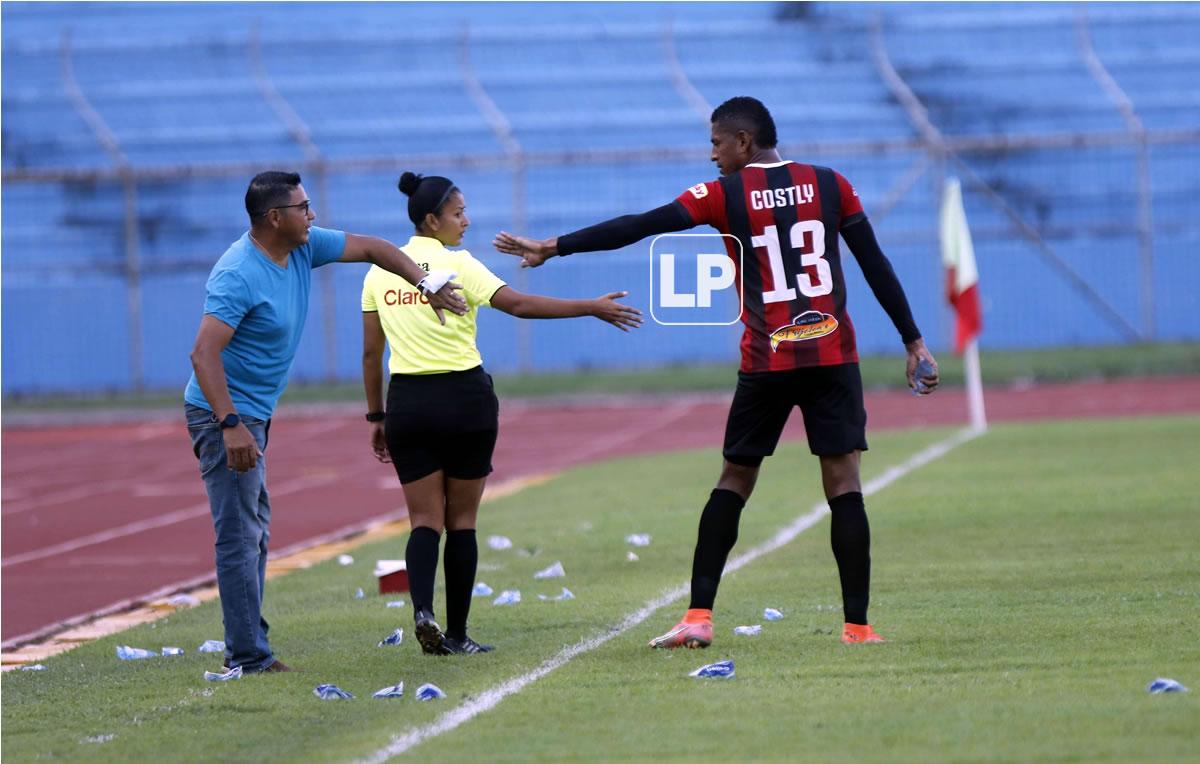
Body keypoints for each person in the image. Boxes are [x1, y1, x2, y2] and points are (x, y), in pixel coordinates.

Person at [494, 96, 940, 649]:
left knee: (734, 480)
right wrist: (913, 340)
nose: (711, 155)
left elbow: (641, 225)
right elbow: (875, 264)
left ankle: (699, 617)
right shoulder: (832, 183)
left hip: (767, 361)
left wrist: (553, 247)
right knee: (844, 484)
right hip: (832, 358)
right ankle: (858, 628)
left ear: (744, 142)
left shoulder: (725, 195)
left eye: (716, 143)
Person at [185, 170, 469, 674]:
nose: (312, 215)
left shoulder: (302, 248)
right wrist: (230, 424)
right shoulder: (237, 272)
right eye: (303, 207)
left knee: (254, 532)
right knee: (238, 535)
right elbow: (204, 354)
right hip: (225, 412)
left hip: (253, 412)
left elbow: (377, 249)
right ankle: (248, 655)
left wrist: (425, 283)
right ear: (275, 218)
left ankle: (250, 643)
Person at [364, 171, 641, 655]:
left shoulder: (378, 270)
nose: (466, 222)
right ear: (432, 220)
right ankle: (457, 634)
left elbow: (371, 355)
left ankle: (423, 611)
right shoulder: (458, 264)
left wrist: (376, 417)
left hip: (407, 401)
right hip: (465, 400)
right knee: (463, 521)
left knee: (424, 521)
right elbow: (519, 304)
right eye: (458, 213)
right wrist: (589, 307)